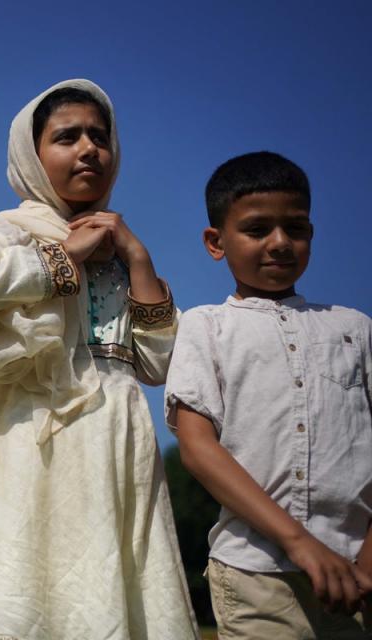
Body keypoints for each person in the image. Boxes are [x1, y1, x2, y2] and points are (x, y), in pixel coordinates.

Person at [0, 79, 198, 638]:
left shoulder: (122, 246)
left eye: (99, 137)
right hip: (33, 437)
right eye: (67, 137)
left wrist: (137, 256)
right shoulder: (8, 231)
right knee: (27, 590)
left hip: (118, 437)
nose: (88, 150)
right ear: (32, 157)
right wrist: (66, 253)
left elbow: (158, 365)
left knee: (115, 591)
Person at [165, 151, 372, 638]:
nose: (279, 243)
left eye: (295, 228)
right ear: (216, 242)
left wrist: (367, 559)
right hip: (254, 571)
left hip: (359, 576)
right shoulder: (206, 327)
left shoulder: (354, 329)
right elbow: (197, 448)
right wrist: (297, 541)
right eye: (257, 230)